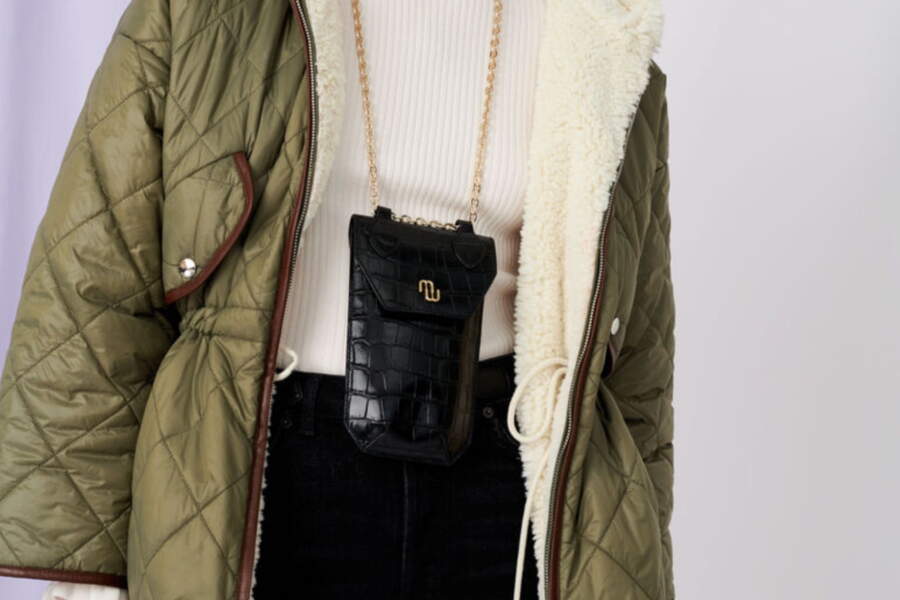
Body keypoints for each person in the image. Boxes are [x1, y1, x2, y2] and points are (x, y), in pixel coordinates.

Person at [0, 1, 675, 599]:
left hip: (508, 480)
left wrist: (637, 544)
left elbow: (636, 354)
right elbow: (94, 283)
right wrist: (87, 572)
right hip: (262, 463)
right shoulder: (212, 12)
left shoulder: (602, 32)